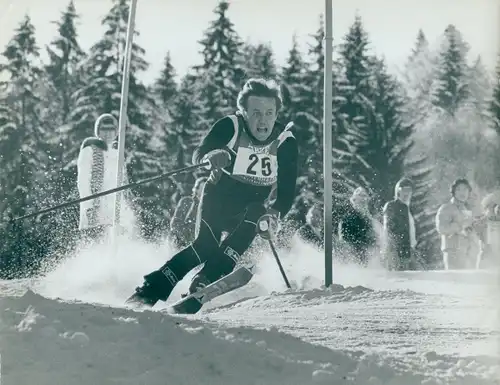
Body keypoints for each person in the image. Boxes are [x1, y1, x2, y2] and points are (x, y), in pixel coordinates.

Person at [127, 78, 299, 307]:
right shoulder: (231, 126)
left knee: (257, 212)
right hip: (218, 200)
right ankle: (148, 292)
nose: (262, 120)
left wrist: (275, 214)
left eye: (269, 113)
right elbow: (200, 153)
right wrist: (212, 156)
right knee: (205, 246)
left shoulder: (285, 141)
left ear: (277, 114)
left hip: (250, 210)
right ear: (243, 113)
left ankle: (203, 281)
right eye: (256, 113)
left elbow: (287, 190)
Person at [77, 113, 134, 242]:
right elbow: (83, 181)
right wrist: (89, 207)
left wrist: (128, 205)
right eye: (104, 129)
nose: (107, 133)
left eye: (111, 129)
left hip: (116, 208)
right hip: (97, 208)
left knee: (119, 242)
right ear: (98, 131)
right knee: (97, 243)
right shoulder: (89, 151)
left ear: (116, 131)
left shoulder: (118, 154)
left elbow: (122, 182)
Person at [435, 178, 484, 270]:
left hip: (470, 253)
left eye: (465, 189)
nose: (462, 192)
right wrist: (460, 226)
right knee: (455, 282)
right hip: (454, 252)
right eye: (459, 189)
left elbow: (470, 230)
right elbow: (441, 228)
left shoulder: (468, 209)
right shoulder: (447, 208)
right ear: (453, 192)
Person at [382, 178, 417, 270]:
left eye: (409, 190)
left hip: (409, 249)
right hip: (395, 250)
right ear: (398, 191)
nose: (406, 193)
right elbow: (388, 229)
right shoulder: (391, 206)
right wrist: (392, 249)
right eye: (404, 190)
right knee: (397, 278)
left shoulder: (410, 208)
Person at [338, 187, 378, 265]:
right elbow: (345, 243)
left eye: (365, 197)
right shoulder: (347, 219)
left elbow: (374, 239)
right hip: (355, 261)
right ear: (354, 200)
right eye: (360, 196)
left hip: (369, 260)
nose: (364, 199)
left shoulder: (369, 220)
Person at [169, 176, 208, 249]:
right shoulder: (186, 201)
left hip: (199, 246)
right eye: (203, 188)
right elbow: (175, 225)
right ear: (196, 189)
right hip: (181, 243)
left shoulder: (209, 208)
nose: (204, 191)